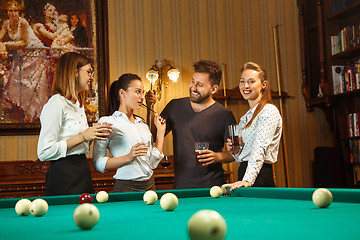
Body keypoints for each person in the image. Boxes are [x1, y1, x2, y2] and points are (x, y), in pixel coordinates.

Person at [146, 60, 236, 189]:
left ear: (214, 89)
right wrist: (150, 107)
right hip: (180, 187)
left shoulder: (225, 115)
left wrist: (217, 156)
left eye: (199, 84)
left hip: (212, 189)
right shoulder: (174, 106)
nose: (193, 88)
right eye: (193, 81)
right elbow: (152, 136)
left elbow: (235, 153)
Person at [37, 52, 112, 196]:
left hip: (82, 170)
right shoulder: (56, 103)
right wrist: (84, 136)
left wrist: (93, 134)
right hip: (63, 174)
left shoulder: (78, 104)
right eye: (89, 72)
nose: (91, 77)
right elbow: (44, 152)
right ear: (74, 72)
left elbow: (79, 145)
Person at [92, 74, 166, 192]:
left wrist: (160, 133)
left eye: (143, 92)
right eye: (138, 92)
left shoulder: (142, 124)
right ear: (122, 93)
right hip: (126, 187)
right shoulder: (107, 122)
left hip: (151, 187)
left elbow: (152, 163)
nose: (142, 97)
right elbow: (98, 163)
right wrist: (129, 157)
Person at [222, 62, 282, 190]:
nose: (245, 86)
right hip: (244, 172)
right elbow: (241, 158)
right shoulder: (245, 117)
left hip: (259, 176)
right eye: (242, 81)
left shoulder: (268, 111)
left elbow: (259, 149)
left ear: (263, 85)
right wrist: (235, 151)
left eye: (251, 81)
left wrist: (248, 180)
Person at [0, 0, 48, 122]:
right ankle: (20, 109)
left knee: (30, 83)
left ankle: (31, 113)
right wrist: (2, 45)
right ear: (7, 12)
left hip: (34, 52)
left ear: (19, 12)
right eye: (11, 11)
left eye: (16, 11)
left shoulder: (24, 23)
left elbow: (24, 43)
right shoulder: (6, 24)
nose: (13, 13)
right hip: (21, 54)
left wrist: (6, 44)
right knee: (15, 80)